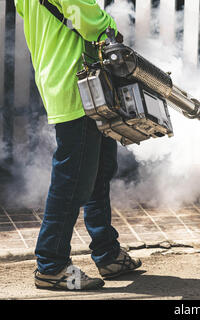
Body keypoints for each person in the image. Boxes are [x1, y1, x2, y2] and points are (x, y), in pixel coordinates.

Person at [14, 0, 141, 291]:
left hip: (72, 81)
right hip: (78, 86)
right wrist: (111, 26)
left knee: (99, 170)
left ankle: (107, 252)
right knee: (73, 181)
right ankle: (51, 265)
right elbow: (91, 21)